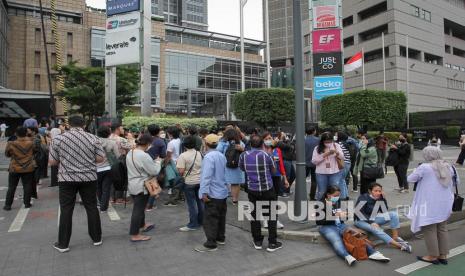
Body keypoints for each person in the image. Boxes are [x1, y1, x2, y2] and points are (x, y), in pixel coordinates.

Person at [49, 115, 105, 253]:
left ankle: (63, 244)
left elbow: (53, 162)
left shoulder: (58, 139)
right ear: (84, 125)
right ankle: (96, 238)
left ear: (69, 125)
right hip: (89, 177)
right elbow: (100, 158)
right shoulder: (93, 138)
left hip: (66, 179)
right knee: (91, 206)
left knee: (66, 209)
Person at [316, 186, 390, 266]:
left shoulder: (339, 202)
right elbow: (319, 222)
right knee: (336, 240)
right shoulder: (320, 204)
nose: (337, 197)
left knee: (358, 236)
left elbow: (345, 217)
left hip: (341, 225)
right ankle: (347, 256)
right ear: (328, 195)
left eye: (338, 195)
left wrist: (345, 215)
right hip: (326, 227)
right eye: (335, 196)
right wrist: (335, 216)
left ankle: (373, 253)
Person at [407, 146, 456, 265]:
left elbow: (410, 179)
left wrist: (415, 170)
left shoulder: (424, 167)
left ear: (427, 155)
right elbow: (456, 182)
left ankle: (433, 256)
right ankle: (443, 255)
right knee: (442, 228)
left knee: (429, 229)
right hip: (445, 202)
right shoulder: (449, 166)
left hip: (428, 202)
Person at [239, 135, 286, 252]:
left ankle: (258, 241)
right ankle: (272, 242)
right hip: (267, 189)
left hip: (252, 189)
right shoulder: (267, 155)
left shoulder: (243, 155)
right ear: (262, 145)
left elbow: (242, 168)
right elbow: (274, 170)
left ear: (250, 144)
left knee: (255, 215)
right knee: (271, 215)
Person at [354, 183, 412, 253]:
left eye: (379, 191)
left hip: (373, 218)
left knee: (393, 214)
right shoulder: (363, 197)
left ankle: (395, 237)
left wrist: (384, 199)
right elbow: (358, 213)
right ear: (370, 191)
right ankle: (399, 245)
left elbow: (384, 210)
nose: (378, 193)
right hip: (360, 220)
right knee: (375, 229)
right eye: (375, 191)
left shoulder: (380, 197)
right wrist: (372, 222)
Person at [195, 134, 228, 253]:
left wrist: (203, 193)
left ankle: (210, 243)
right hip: (222, 192)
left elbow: (206, 177)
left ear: (206, 144)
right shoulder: (221, 155)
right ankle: (220, 237)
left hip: (213, 193)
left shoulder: (209, 157)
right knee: (221, 217)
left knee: (210, 219)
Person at [126, 134, 161, 242]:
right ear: (148, 144)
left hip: (132, 183)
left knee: (139, 207)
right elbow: (154, 171)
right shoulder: (143, 155)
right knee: (138, 209)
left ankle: (143, 225)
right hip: (142, 185)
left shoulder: (130, 152)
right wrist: (158, 162)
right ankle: (135, 234)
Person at [3, 127, 36, 211]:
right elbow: (35, 151)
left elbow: (7, 154)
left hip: (14, 167)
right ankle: (27, 203)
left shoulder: (11, 143)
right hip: (28, 167)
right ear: (26, 133)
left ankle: (8, 205)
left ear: (16, 134)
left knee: (11, 187)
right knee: (27, 185)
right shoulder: (31, 143)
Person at [176, 135, 203, 231]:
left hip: (189, 182)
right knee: (200, 202)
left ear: (184, 145)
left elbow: (181, 171)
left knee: (192, 204)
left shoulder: (183, 156)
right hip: (200, 181)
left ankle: (193, 224)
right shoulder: (199, 153)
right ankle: (201, 221)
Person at [311, 132, 344, 200]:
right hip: (321, 173)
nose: (328, 143)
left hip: (335, 172)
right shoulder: (317, 148)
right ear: (322, 141)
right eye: (326, 142)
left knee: (334, 191)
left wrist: (337, 153)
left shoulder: (336, 145)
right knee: (322, 191)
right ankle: (321, 207)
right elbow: (314, 161)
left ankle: (334, 207)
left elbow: (342, 157)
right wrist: (326, 154)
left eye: (330, 141)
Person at [217, 128, 245, 204]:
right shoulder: (240, 143)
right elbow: (244, 153)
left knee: (224, 182)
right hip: (237, 165)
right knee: (236, 183)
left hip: (226, 165)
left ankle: (223, 197)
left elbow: (218, 151)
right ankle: (235, 199)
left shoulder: (223, 142)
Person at [96, 126, 120, 213]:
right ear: (109, 133)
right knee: (106, 188)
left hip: (96, 168)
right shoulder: (112, 143)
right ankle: (103, 208)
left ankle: (101, 203)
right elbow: (117, 156)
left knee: (98, 187)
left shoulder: (94, 142)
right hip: (108, 168)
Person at [110, 123, 132, 204]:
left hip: (109, 162)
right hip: (120, 162)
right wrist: (130, 139)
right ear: (117, 129)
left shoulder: (108, 138)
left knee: (111, 180)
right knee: (120, 179)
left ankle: (112, 198)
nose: (123, 130)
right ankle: (119, 198)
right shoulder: (121, 139)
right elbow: (131, 147)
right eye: (122, 128)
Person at [263, 132, 289, 198]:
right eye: (266, 139)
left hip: (276, 175)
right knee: (267, 195)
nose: (268, 140)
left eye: (270, 138)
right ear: (263, 140)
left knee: (276, 195)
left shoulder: (277, 150)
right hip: (266, 176)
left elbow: (281, 165)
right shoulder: (262, 150)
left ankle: (274, 206)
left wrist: (285, 179)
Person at [163, 126, 183, 206]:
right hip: (180, 163)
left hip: (173, 164)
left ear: (170, 134)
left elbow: (168, 156)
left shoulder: (171, 143)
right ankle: (180, 197)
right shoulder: (179, 141)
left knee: (173, 182)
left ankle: (173, 200)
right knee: (179, 181)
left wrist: (164, 164)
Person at [305, 127, 320, 200]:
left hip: (304, 163)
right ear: (314, 131)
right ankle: (312, 196)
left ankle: (301, 194)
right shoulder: (318, 140)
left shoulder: (303, 140)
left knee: (301, 179)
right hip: (315, 163)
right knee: (314, 181)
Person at [336, 132, 351, 200]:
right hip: (348, 163)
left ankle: (342, 196)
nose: (335, 136)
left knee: (341, 180)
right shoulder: (346, 143)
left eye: (336, 135)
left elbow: (339, 154)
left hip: (343, 163)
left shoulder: (340, 144)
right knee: (343, 179)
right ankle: (346, 195)